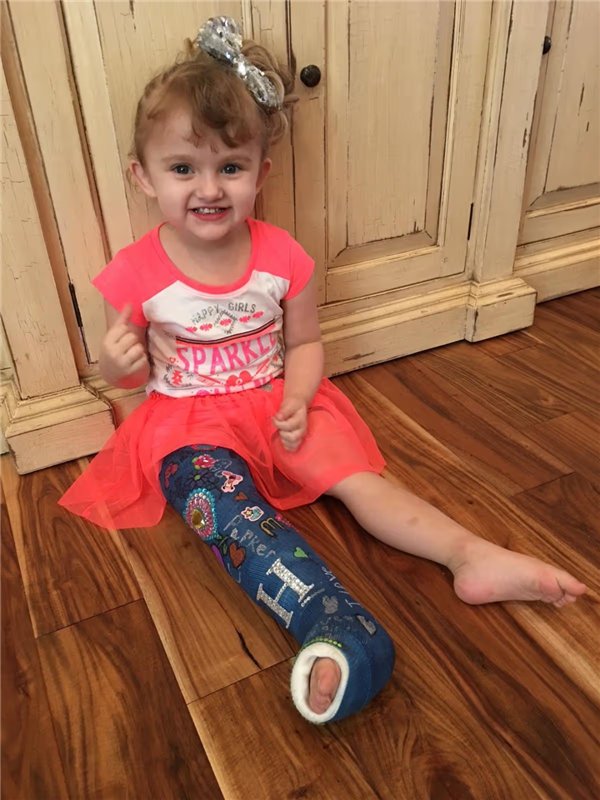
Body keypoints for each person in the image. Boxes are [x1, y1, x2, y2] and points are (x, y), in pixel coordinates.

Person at [60, 17, 586, 724]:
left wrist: (301, 397)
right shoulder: (136, 272)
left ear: (261, 173)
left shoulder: (284, 257)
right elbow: (124, 377)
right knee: (222, 508)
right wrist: (116, 362)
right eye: (183, 168)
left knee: (360, 483)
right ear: (144, 177)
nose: (208, 187)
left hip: (278, 405)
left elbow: (305, 343)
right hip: (188, 425)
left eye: (230, 167)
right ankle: (325, 616)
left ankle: (469, 554)